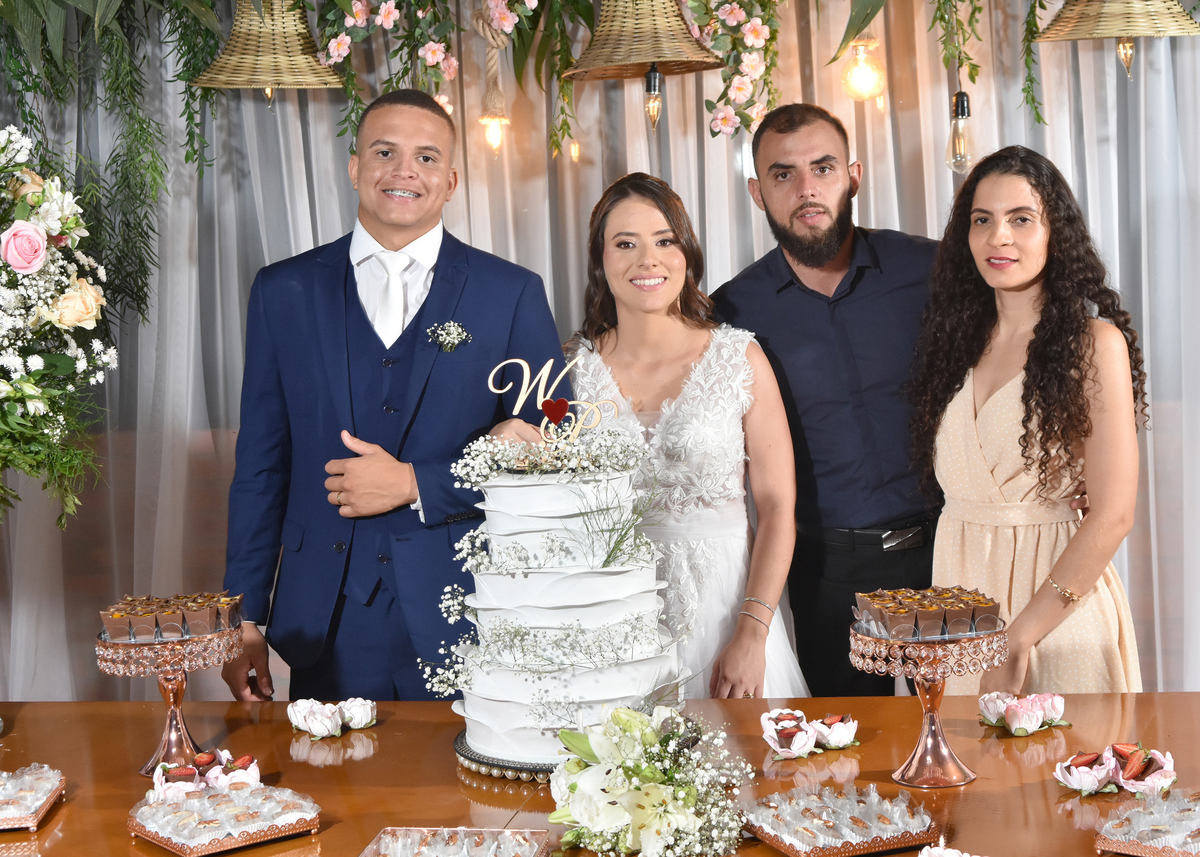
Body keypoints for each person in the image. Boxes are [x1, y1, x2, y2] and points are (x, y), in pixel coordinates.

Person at [221, 89, 567, 702]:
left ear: (452, 180)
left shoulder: (510, 294)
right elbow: (261, 464)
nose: (405, 171)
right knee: (326, 789)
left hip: (466, 611)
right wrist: (244, 617)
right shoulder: (283, 291)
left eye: (427, 157)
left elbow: (555, 450)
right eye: (385, 152)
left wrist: (416, 484)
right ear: (355, 166)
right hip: (321, 617)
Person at [710, 104, 939, 697]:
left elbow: (1018, 354)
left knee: (967, 744)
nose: (807, 189)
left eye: (824, 167)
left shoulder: (933, 268)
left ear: (854, 175)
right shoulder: (731, 313)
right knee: (847, 761)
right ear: (758, 192)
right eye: (783, 174)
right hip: (828, 574)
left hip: (949, 550)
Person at [909, 145, 1144, 696]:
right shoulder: (954, 343)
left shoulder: (1094, 343)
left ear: (1054, 232)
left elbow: (1113, 514)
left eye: (1021, 219)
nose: (999, 238)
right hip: (958, 607)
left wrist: (1019, 638)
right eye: (982, 220)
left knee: (1062, 776)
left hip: (1055, 612)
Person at [567, 172, 808, 700]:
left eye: (664, 241)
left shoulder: (738, 358)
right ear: (601, 260)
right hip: (609, 621)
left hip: (724, 615)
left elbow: (776, 507)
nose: (647, 260)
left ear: (686, 252)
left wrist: (752, 633)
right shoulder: (570, 371)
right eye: (625, 243)